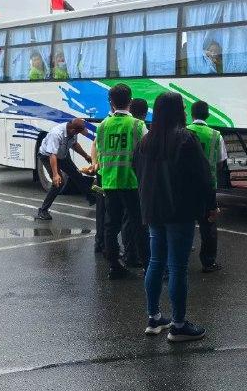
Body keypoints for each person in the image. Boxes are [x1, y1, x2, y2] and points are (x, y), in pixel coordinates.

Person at [133, 92, 214, 342]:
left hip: (153, 210)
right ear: (179, 111)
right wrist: (210, 205)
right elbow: (203, 176)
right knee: (178, 266)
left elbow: (137, 169)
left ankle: (154, 317)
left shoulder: (146, 141)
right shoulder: (186, 139)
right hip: (180, 211)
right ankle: (178, 325)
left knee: (156, 261)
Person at [91, 84, 148, 278]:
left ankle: (114, 267)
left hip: (109, 182)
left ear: (111, 102)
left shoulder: (103, 126)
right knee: (139, 225)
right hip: (132, 182)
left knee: (111, 226)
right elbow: (146, 152)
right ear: (130, 101)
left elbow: (100, 151)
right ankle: (147, 265)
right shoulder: (137, 125)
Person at [187, 100, 227, 272]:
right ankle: (208, 262)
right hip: (207, 187)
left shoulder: (184, 132)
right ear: (208, 115)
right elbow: (220, 162)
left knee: (185, 221)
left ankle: (182, 254)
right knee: (208, 224)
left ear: (191, 115)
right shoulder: (216, 135)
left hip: (185, 185)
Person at [35, 118, 95, 220]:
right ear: (73, 130)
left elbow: (74, 144)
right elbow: (52, 155)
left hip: (63, 155)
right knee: (58, 183)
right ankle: (43, 210)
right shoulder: (56, 134)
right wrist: (56, 174)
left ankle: (91, 198)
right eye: (78, 132)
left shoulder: (73, 131)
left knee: (76, 174)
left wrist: (86, 156)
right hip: (48, 156)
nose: (78, 134)